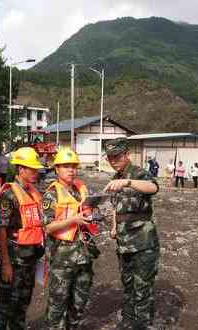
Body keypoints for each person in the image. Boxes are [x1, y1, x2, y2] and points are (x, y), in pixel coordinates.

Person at [103, 138, 160, 330]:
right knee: (127, 285)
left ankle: (142, 324)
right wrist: (113, 227)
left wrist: (128, 182)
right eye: (110, 157)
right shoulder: (114, 179)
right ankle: (128, 320)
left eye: (116, 156)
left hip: (143, 243)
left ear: (127, 155)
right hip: (123, 242)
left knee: (142, 287)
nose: (113, 160)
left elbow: (153, 188)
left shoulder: (138, 174)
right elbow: (115, 208)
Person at [42, 148, 100, 330]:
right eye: (66, 166)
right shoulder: (51, 194)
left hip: (84, 256)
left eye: (73, 166)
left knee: (79, 303)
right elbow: (48, 227)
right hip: (62, 259)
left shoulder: (81, 190)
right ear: (57, 169)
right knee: (57, 306)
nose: (71, 170)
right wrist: (74, 219)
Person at [0, 147, 46, 330]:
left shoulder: (32, 192)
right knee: (5, 304)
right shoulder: (9, 195)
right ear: (20, 169)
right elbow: (1, 230)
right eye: (32, 168)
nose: (36, 172)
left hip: (30, 257)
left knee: (22, 302)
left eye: (36, 168)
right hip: (14, 259)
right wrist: (5, 263)